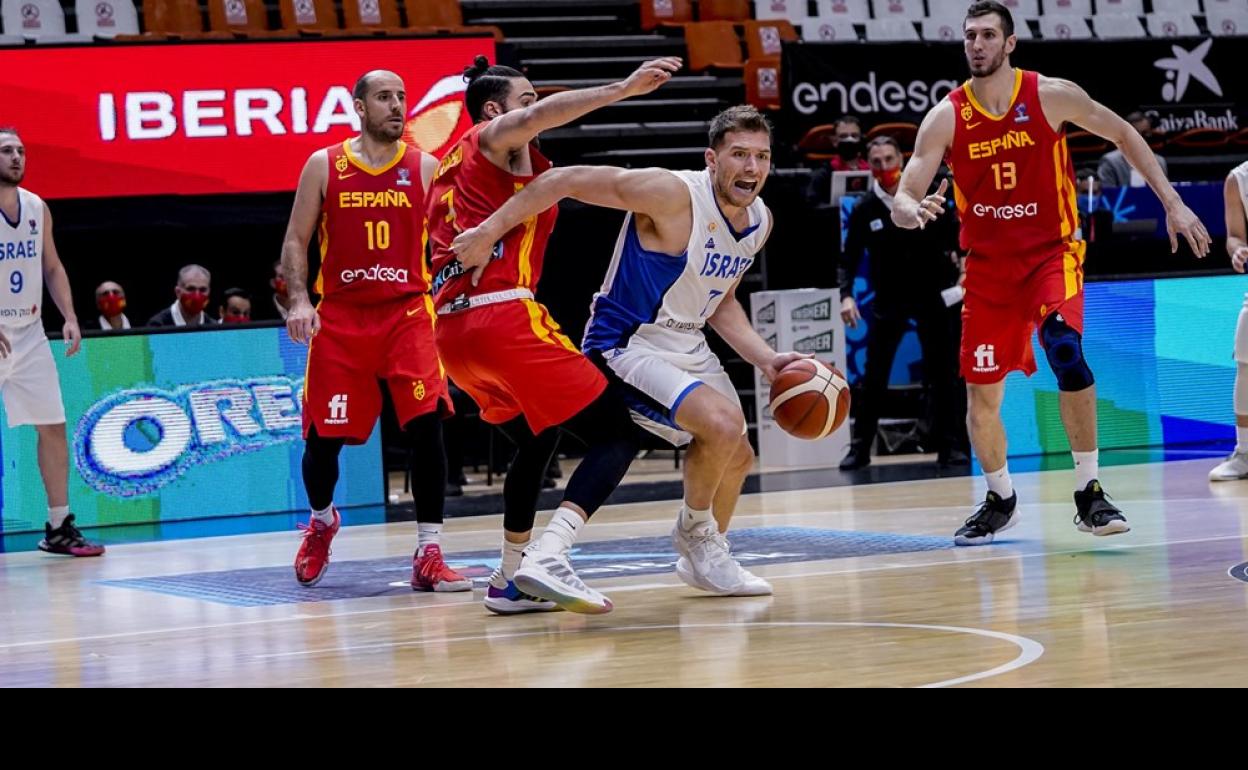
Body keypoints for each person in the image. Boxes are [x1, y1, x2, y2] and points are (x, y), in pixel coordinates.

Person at [452, 105, 807, 596]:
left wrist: (765, 359)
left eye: (761, 157)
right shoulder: (670, 194)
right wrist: (489, 231)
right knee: (721, 425)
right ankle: (696, 538)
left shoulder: (759, 219)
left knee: (738, 454)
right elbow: (565, 179)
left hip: (687, 340)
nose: (751, 168)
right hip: (628, 341)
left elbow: (720, 298)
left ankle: (706, 552)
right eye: (739, 155)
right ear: (712, 158)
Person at [892, 1, 1210, 545]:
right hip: (988, 270)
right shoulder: (947, 115)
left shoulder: (1048, 94)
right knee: (982, 397)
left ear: (1009, 43)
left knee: (1065, 350)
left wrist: (1173, 203)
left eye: (988, 35)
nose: (977, 44)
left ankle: (1089, 492)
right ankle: (1001, 498)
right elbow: (906, 188)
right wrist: (907, 210)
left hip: (1051, 253)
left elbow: (1124, 135)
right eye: (970, 36)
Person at [426, 56, 679, 614]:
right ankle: (549, 558)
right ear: (494, 111)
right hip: (502, 318)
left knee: (539, 440)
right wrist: (624, 87)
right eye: (526, 101)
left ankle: (509, 579)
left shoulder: (451, 168)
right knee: (617, 436)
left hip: (455, 335)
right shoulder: (487, 136)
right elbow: (541, 115)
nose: (534, 112)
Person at [281, 70, 469, 593]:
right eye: (384, 97)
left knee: (426, 424)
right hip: (341, 317)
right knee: (324, 442)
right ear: (359, 107)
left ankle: (428, 550)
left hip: (407, 312)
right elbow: (296, 241)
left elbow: (453, 243)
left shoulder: (426, 168)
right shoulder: (324, 164)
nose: (396, 106)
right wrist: (299, 299)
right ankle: (322, 522)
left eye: (402, 97)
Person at [0, 126, 103, 556]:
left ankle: (59, 526)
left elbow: (53, 267)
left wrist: (71, 316)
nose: (17, 158)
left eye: (21, 150)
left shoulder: (36, 207)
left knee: (54, 427)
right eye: (7, 151)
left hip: (29, 333)